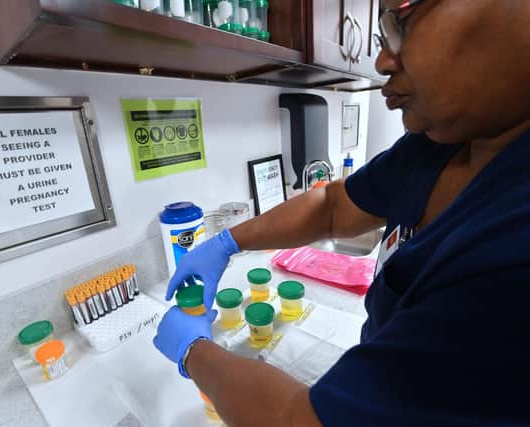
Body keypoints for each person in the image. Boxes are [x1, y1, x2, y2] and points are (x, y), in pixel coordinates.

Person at [153, 0, 530, 425]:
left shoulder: (514, 243)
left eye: (402, 20)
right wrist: (228, 241)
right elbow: (334, 207)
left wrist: (194, 352)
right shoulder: (440, 145)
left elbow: (302, 420)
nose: (384, 59)